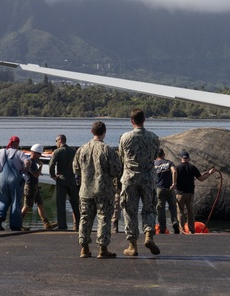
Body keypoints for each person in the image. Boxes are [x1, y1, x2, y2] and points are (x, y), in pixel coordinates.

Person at [73, 120, 123, 259]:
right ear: (104, 132)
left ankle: (84, 248)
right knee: (104, 218)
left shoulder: (81, 149)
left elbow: (76, 169)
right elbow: (116, 170)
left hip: (85, 189)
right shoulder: (107, 150)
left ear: (92, 132)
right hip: (103, 189)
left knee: (85, 218)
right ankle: (103, 248)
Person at [118, 108, 161, 256]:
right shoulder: (154, 137)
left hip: (130, 178)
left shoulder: (125, 137)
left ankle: (132, 245)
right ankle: (148, 234)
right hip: (148, 178)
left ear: (131, 121)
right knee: (149, 208)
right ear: (144, 120)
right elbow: (155, 156)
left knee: (130, 211)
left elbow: (121, 157)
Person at [0, 136, 28, 231]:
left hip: (1, 179)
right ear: (17, 144)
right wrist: (25, 170)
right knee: (15, 202)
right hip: (14, 179)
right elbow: (27, 161)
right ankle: (15, 225)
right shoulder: (19, 153)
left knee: (2, 200)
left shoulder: (1, 151)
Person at [174, 150, 217, 235]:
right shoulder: (192, 168)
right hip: (190, 194)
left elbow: (173, 179)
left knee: (180, 212)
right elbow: (201, 179)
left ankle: (181, 230)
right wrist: (210, 173)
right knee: (190, 212)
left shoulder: (177, 168)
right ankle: (191, 230)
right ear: (188, 158)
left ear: (181, 158)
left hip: (179, 194)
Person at [49, 134, 80, 230]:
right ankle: (78, 224)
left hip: (61, 179)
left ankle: (62, 225)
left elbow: (51, 165)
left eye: (56, 141)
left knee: (61, 204)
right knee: (75, 203)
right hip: (71, 179)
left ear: (60, 140)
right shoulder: (73, 151)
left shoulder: (57, 152)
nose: (56, 143)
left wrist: (53, 175)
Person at [22, 144, 55, 230]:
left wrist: (38, 169)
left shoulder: (33, 162)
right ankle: (18, 223)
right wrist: (41, 166)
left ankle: (46, 224)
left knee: (40, 205)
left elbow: (35, 174)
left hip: (35, 186)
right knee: (27, 206)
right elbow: (36, 174)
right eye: (39, 154)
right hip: (30, 186)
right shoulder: (31, 162)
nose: (40, 156)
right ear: (34, 153)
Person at [154, 149, 179, 234]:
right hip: (169, 188)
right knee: (172, 206)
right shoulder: (169, 163)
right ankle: (175, 222)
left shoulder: (153, 164)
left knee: (161, 209)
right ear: (164, 154)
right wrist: (174, 183)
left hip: (159, 189)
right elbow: (174, 171)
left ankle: (162, 227)